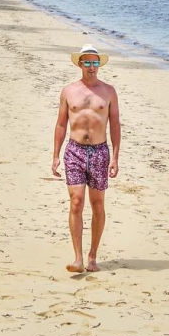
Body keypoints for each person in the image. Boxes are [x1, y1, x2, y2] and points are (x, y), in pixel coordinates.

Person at [52, 45, 120, 273]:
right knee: (76, 202)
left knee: (98, 204)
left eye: (95, 63)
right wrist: (55, 155)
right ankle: (78, 258)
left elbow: (115, 124)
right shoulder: (69, 91)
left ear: (99, 64)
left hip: (100, 152)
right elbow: (61, 124)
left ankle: (92, 257)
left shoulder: (109, 92)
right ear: (80, 64)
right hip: (74, 151)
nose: (92, 67)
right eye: (87, 63)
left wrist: (116, 157)